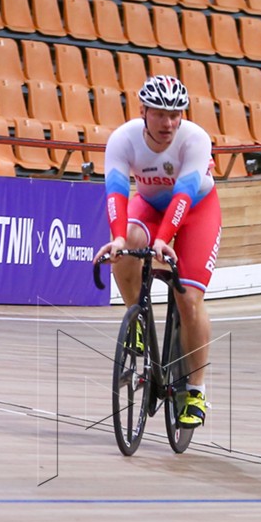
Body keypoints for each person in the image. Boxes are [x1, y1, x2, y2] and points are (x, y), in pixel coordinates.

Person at [95, 75, 219, 429]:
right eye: (160, 114)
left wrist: (165, 239)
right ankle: (137, 317)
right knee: (128, 243)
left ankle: (196, 389)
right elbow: (117, 192)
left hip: (197, 209)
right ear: (143, 112)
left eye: (175, 114)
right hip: (149, 205)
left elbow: (184, 195)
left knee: (190, 298)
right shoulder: (123, 139)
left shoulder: (195, 139)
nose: (168, 123)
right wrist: (118, 238)